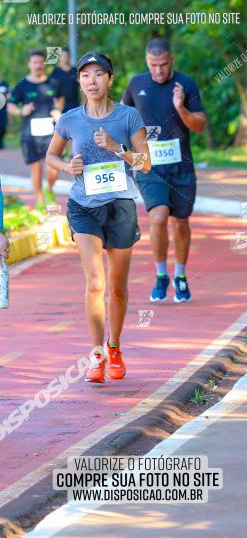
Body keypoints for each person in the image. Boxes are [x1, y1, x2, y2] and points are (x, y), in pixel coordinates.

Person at [46, 51, 151, 383]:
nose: (92, 81)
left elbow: (145, 163)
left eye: (99, 75)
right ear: (79, 81)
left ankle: (115, 346)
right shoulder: (70, 119)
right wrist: (66, 166)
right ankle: (96, 353)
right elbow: (51, 155)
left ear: (110, 79)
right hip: (83, 206)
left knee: (117, 289)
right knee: (95, 283)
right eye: (86, 76)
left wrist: (117, 148)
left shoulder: (128, 116)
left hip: (120, 206)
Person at [122, 38, 206, 303]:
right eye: (153, 65)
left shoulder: (186, 84)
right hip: (150, 168)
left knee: (180, 223)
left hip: (181, 167)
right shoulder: (136, 84)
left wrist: (180, 107)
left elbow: (200, 125)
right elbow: (123, 120)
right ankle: (161, 275)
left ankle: (180, 276)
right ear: (147, 62)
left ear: (172, 61)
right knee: (158, 217)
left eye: (163, 65)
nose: (159, 70)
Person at [8, 50, 64, 208]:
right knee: (36, 169)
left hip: (50, 134)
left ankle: (49, 189)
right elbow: (10, 105)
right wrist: (21, 111)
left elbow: (60, 100)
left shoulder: (53, 83)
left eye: (41, 62)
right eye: (35, 62)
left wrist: (57, 111)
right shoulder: (22, 85)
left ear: (45, 64)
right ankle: (40, 202)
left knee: (53, 169)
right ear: (29, 64)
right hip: (29, 134)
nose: (38, 65)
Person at [51, 46, 80, 112]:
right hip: (59, 107)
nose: (65, 58)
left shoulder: (75, 71)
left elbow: (83, 88)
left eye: (66, 56)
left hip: (74, 105)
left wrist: (84, 103)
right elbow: (50, 89)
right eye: (63, 56)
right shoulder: (55, 72)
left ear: (69, 57)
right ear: (59, 57)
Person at [0, 76, 9, 150]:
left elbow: (9, 95)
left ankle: (1, 141)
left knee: (2, 126)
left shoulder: (4, 84)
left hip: (3, 109)